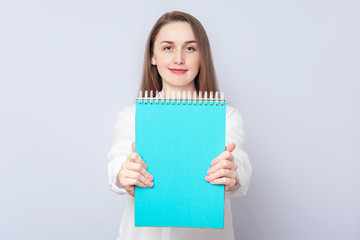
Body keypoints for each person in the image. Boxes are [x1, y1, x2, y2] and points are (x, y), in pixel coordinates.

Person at [107, 11, 252, 240]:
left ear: (202, 56)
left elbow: (240, 162)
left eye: (190, 48)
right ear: (152, 57)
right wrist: (123, 172)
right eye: (168, 48)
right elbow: (117, 161)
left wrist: (233, 171)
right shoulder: (132, 116)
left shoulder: (226, 116)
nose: (179, 59)